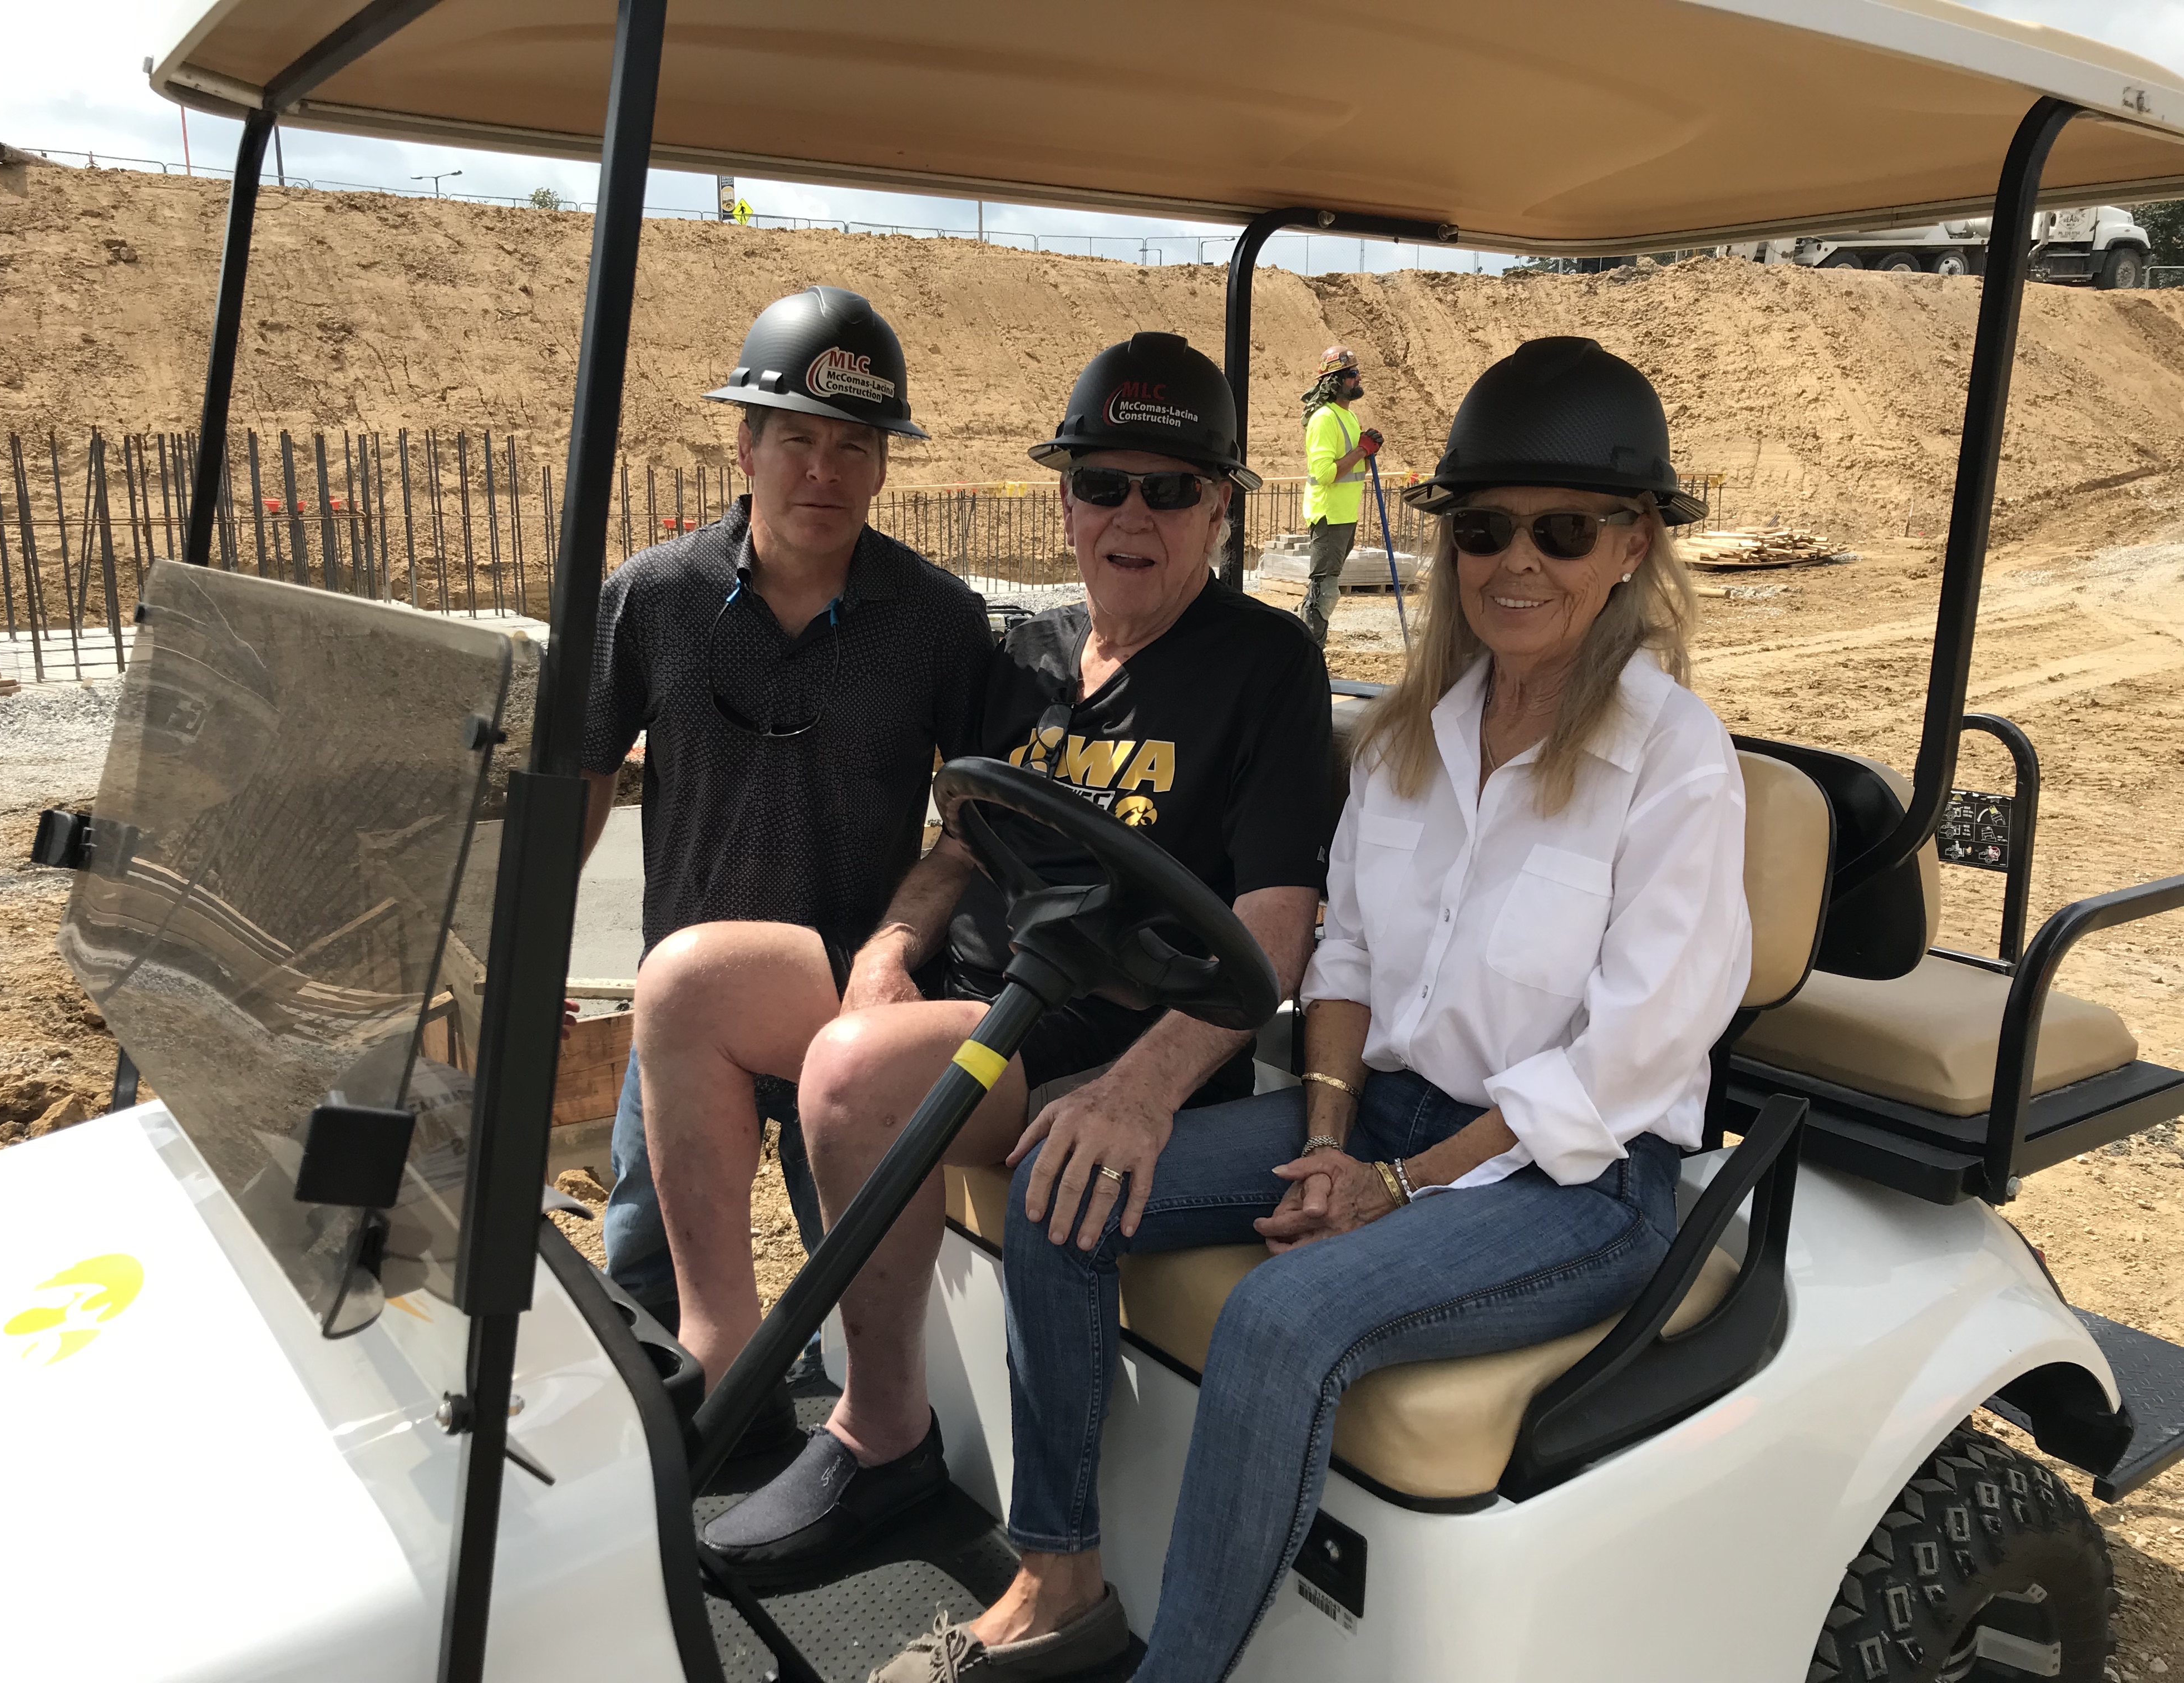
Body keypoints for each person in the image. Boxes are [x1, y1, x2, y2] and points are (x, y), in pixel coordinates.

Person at [872, 336, 1753, 1682]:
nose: (1517, 562)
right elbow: (1335, 962)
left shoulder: (1675, 763)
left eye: (1564, 531)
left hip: (1569, 1182)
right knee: (1061, 1160)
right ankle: (1063, 1574)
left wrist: (1391, 1189)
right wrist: (1338, 1134)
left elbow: (1624, 1061)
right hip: (1384, 1118)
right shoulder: (1418, 731)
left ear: (1633, 546)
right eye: (1486, 528)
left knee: (1281, 1321)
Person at [701, 333, 1334, 1617]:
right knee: (693, 980)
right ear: (1066, 500)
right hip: (986, 1006)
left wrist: (1142, 1092)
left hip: (1104, 1040)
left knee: (853, 1075)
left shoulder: (1261, 666)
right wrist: (888, 946)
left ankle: (885, 1440)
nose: (1133, 517)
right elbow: (962, 844)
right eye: (1104, 485)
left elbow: (1277, 927)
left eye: (1171, 490)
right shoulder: (1028, 658)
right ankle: (723, 1365)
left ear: (1221, 504)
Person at [580, 286, 992, 1455]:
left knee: (864, 1284)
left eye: (852, 446)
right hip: (683, 1016)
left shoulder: (938, 621)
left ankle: (853, 1461)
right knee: (646, 1262)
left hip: (839, 1023)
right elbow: (586, 771)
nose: (824, 470)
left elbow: (969, 828)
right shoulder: (653, 599)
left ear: (881, 466)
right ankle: (672, 1469)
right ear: (745, 444)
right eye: (798, 439)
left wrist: (892, 959)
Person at [1296, 345, 1383, 648]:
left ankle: (1299, 644)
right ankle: (1309, 655)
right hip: (1329, 515)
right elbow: (1324, 473)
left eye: (1357, 373)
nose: (1357, 379)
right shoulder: (1324, 418)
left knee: (1322, 591)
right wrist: (1362, 449)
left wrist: (1367, 450)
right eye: (1351, 375)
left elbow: (1354, 469)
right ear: (1334, 380)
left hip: (1346, 516)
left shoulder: (1348, 418)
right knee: (1326, 592)